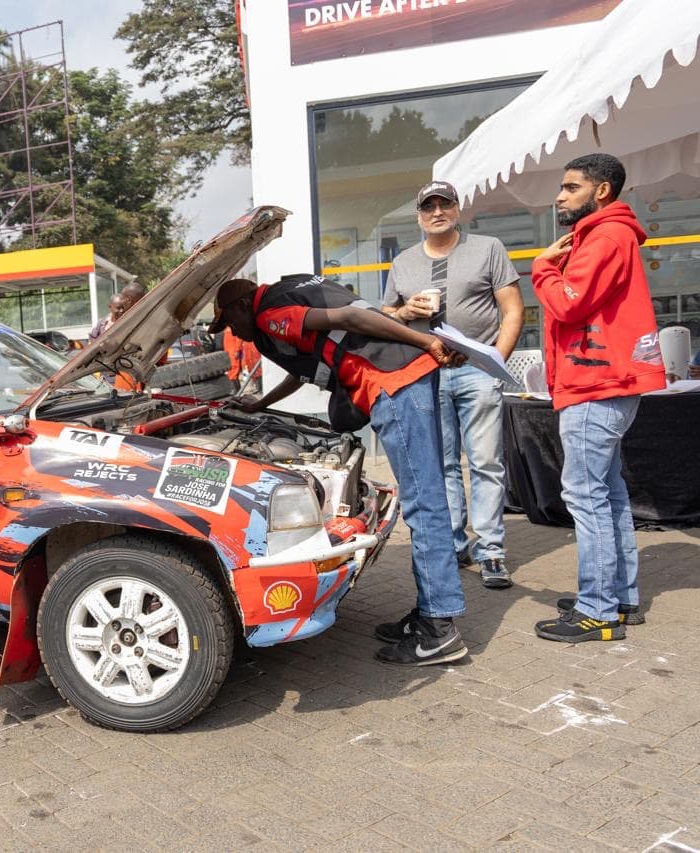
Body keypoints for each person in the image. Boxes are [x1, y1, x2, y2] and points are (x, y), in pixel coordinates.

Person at [209, 275, 470, 666]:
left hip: (391, 380)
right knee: (425, 496)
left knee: (423, 500)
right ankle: (430, 611)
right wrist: (258, 405)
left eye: (230, 322)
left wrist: (426, 341)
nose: (233, 332)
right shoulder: (293, 287)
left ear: (244, 305)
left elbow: (351, 317)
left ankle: (438, 629)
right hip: (406, 371)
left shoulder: (270, 313)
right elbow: (302, 368)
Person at [529, 153, 666, 643]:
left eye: (571, 187)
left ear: (601, 190)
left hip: (596, 383)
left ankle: (598, 610)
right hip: (603, 382)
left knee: (587, 497)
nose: (560, 197)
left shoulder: (605, 235)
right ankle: (618, 599)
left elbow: (568, 303)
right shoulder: (606, 235)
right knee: (606, 494)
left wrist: (541, 268)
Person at [383, 180, 523, 590]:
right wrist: (404, 311)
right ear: (419, 215)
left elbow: (513, 310)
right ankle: (456, 544)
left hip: (476, 370)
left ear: (458, 209)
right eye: (429, 207)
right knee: (441, 464)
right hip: (425, 371)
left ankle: (491, 550)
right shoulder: (403, 262)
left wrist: (496, 361)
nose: (437, 212)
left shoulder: (488, 248)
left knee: (485, 462)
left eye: (445, 204)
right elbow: (386, 315)